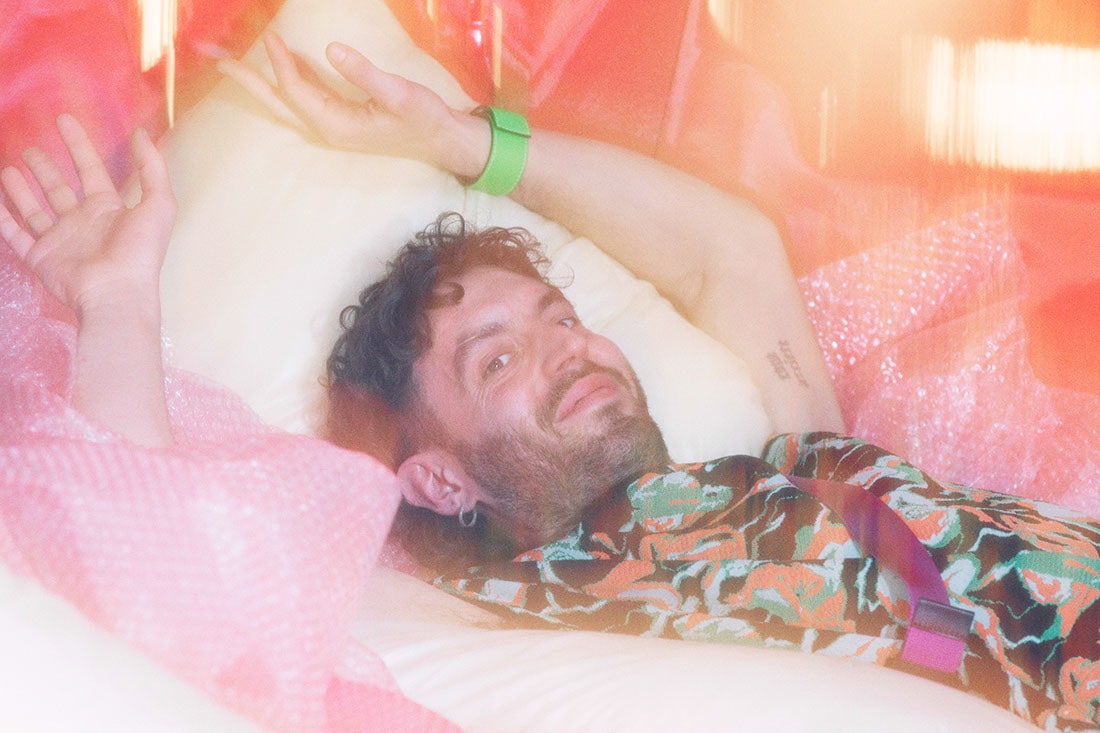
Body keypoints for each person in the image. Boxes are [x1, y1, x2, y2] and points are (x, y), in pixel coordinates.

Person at [2, 34, 1097, 731]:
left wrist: (460, 141)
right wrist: (119, 302)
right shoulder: (500, 607)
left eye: (559, 319)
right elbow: (169, 588)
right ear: (437, 477)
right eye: (496, 358)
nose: (565, 349)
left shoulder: (797, 446)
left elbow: (733, 251)